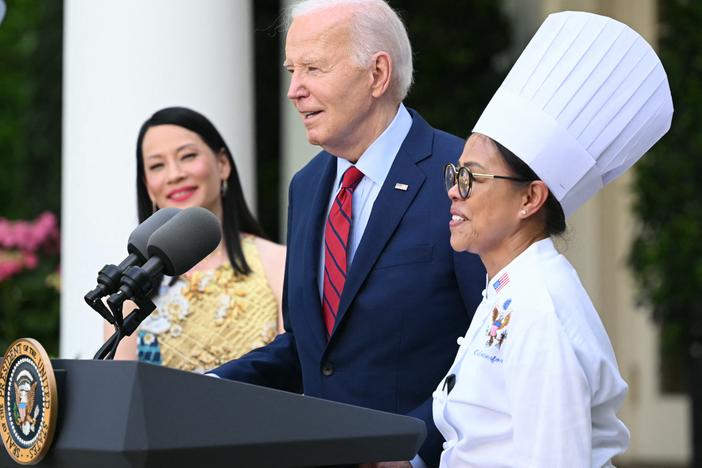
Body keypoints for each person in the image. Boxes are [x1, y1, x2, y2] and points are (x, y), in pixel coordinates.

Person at [211, 0, 485, 466]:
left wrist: (413, 450)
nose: (295, 90)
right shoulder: (308, 185)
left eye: (313, 68)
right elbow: (309, 347)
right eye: (291, 70)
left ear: (377, 74)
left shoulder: (459, 175)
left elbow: (493, 346)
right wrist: (208, 386)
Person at [432, 11, 673, 467]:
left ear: (530, 199)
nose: (453, 190)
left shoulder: (541, 308)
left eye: (472, 178)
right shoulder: (509, 289)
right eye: (456, 173)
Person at [108, 106, 286, 373]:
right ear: (147, 185)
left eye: (188, 156)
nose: (175, 174)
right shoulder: (132, 285)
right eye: (157, 165)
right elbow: (118, 393)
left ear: (222, 164)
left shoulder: (277, 262)